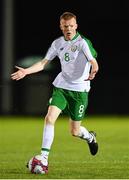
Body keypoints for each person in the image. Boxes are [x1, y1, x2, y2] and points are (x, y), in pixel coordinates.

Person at [11, 12, 99, 173]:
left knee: (74, 131)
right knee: (49, 118)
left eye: (72, 26)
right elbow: (43, 63)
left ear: (76, 26)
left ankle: (89, 137)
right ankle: (44, 157)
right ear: (61, 27)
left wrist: (94, 68)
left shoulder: (82, 43)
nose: (69, 29)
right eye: (65, 26)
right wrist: (26, 72)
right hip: (62, 87)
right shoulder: (57, 43)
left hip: (79, 91)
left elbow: (93, 61)